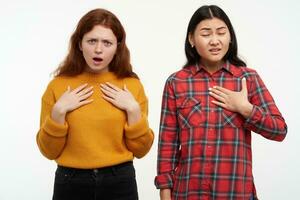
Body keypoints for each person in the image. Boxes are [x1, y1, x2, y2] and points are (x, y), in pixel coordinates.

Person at [155, 5, 287, 200]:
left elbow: (279, 130)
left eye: (221, 33)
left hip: (235, 191)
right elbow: (167, 143)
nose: (215, 41)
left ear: (230, 37)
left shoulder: (248, 79)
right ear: (191, 39)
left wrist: (245, 108)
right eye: (206, 34)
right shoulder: (176, 82)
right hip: (188, 193)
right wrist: (165, 194)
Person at [36, 8, 154, 200]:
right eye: (92, 41)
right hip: (70, 181)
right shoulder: (57, 86)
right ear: (80, 44)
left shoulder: (132, 86)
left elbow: (141, 150)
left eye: (107, 43)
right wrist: (58, 112)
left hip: (120, 181)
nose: (98, 49)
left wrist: (133, 110)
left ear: (117, 47)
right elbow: (48, 151)